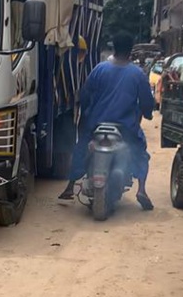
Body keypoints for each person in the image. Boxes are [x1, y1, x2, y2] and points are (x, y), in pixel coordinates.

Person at [59, 29, 155, 209]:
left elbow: (85, 95)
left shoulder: (99, 69)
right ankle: (141, 190)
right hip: (126, 128)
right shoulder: (138, 74)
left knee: (81, 148)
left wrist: (86, 113)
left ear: (114, 48)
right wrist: (148, 113)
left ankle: (70, 186)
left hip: (96, 124)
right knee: (140, 151)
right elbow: (147, 102)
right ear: (131, 50)